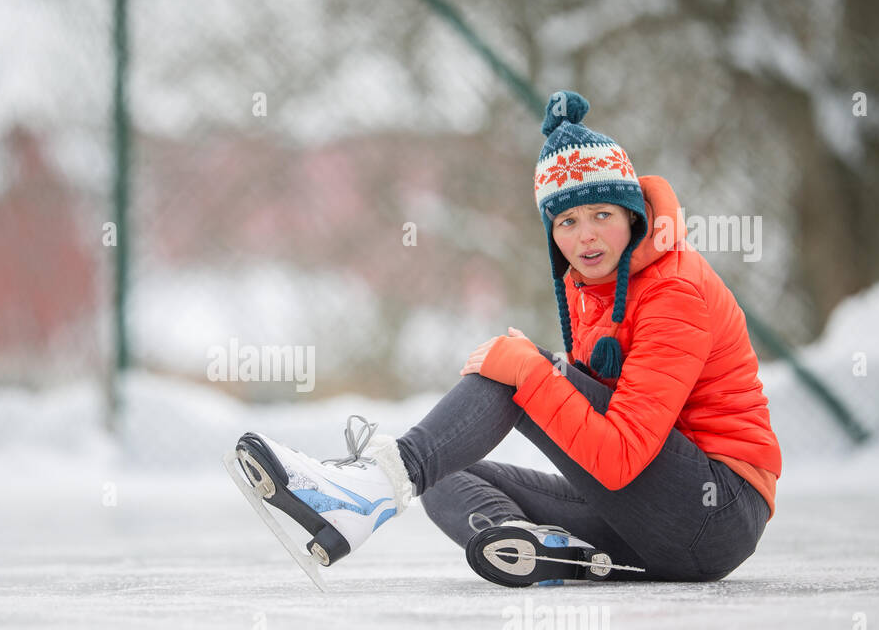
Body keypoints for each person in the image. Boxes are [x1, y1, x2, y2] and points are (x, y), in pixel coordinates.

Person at [231, 90, 781, 586]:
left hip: (714, 513)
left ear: (632, 215)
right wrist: (539, 370)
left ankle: (365, 492)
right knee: (446, 472)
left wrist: (531, 371)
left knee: (515, 371)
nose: (584, 234)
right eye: (565, 222)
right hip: (650, 527)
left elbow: (619, 458)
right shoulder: (593, 284)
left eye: (601, 214)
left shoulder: (673, 289)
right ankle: (530, 545)